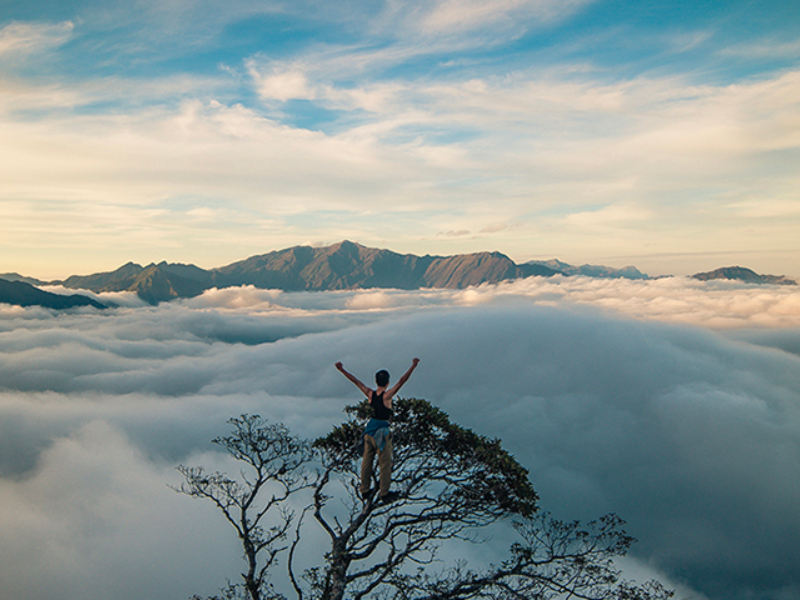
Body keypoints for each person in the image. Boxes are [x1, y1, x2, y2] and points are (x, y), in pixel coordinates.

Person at [334, 358, 420, 504]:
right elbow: (401, 381)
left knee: (366, 462)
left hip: (369, 432)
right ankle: (384, 493)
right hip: (381, 433)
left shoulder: (370, 394)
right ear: (387, 382)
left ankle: (364, 489)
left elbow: (356, 381)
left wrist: (342, 369)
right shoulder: (387, 396)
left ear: (376, 381)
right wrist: (413, 365)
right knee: (385, 463)